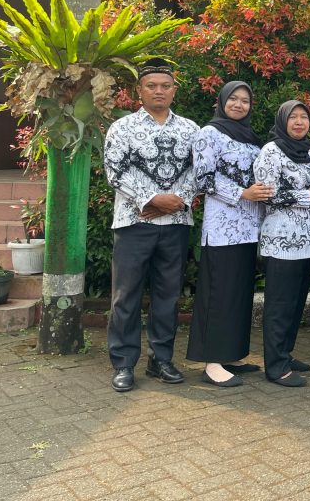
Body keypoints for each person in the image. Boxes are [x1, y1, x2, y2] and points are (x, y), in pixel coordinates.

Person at [102, 58, 198, 393]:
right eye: (152, 86)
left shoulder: (190, 130)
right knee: (125, 295)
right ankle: (123, 363)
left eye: (165, 86)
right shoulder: (122, 128)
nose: (159, 91)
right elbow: (116, 171)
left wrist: (176, 200)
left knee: (167, 296)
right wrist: (153, 200)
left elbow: (198, 171)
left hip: (176, 223)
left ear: (174, 91)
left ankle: (161, 359)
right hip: (133, 222)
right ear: (139, 91)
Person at [187, 81, 271, 387]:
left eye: (245, 100)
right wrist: (242, 193)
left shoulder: (251, 138)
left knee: (239, 294)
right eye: (233, 99)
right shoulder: (209, 133)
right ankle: (212, 362)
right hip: (222, 228)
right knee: (219, 293)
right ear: (222, 102)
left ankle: (231, 354)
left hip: (249, 227)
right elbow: (203, 179)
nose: (239, 104)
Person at [254, 100, 310, 387]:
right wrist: (307, 195)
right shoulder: (270, 152)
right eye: (293, 117)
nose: (299, 122)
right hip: (282, 241)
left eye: (303, 117)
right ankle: (275, 366)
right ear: (283, 121)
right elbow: (267, 194)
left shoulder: (308, 152)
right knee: (280, 304)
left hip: (307, 242)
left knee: (296, 303)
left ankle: (285, 354)